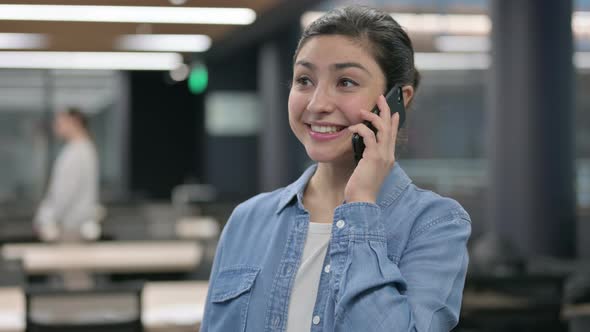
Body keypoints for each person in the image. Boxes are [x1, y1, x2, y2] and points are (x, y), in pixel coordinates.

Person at [201, 5, 471, 332]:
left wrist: (360, 205)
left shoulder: (435, 224)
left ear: (399, 99)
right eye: (304, 80)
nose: (317, 104)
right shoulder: (248, 219)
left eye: (345, 82)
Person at [34, 107, 101, 242]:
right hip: (75, 227)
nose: (56, 127)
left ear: (74, 121)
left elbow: (64, 192)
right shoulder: (87, 149)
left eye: (60, 123)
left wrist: (46, 218)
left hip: (69, 229)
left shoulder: (76, 152)